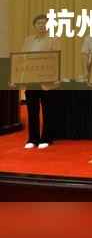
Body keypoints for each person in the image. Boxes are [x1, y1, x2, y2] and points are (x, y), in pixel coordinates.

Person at [19, 14, 60, 149]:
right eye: (39, 23)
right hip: (31, 80)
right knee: (32, 110)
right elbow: (22, 59)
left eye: (44, 23)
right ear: (34, 26)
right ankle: (33, 138)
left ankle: (46, 138)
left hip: (46, 79)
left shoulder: (54, 39)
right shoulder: (28, 40)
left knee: (47, 110)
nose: (42, 25)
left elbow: (55, 60)